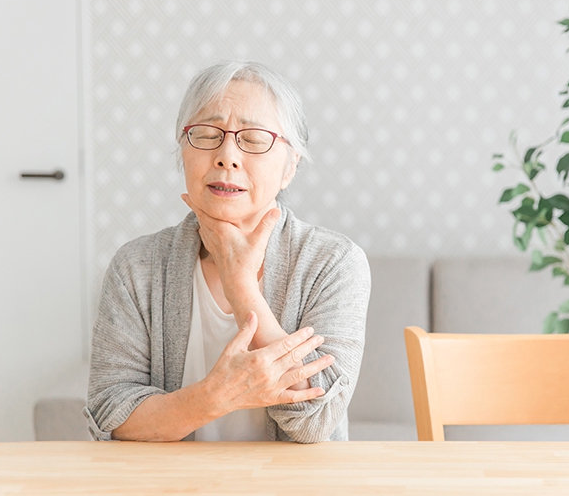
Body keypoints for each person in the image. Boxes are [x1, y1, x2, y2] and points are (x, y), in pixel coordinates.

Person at [84, 61, 371, 443]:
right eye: (206, 134)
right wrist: (213, 398)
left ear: (290, 166)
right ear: (182, 150)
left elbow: (316, 420)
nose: (227, 156)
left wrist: (240, 284)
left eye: (253, 139)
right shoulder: (137, 266)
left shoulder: (333, 262)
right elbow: (109, 415)